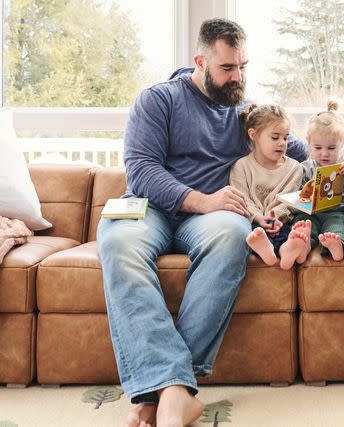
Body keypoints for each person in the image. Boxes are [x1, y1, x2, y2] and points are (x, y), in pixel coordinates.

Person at [97, 19, 303, 427]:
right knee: (118, 245)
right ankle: (177, 389)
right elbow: (140, 169)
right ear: (200, 61)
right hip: (151, 207)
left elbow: (296, 145)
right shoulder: (158, 100)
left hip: (212, 219)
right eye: (227, 68)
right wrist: (202, 200)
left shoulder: (246, 112)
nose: (237, 77)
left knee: (233, 233)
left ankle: (164, 393)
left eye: (243, 66)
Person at [229, 103, 311, 270]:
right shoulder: (241, 166)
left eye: (286, 137)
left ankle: (286, 249)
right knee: (248, 233)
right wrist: (259, 218)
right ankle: (265, 248)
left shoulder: (295, 168)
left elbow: (289, 202)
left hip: (281, 222)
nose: (282, 143)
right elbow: (242, 199)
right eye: (275, 137)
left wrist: (275, 219)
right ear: (254, 135)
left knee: (293, 230)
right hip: (253, 221)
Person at [290, 100, 344, 261]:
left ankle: (336, 245)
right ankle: (302, 246)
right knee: (302, 224)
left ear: (343, 143)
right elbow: (295, 195)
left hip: (337, 212)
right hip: (310, 213)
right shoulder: (304, 167)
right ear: (309, 143)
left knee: (337, 226)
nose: (324, 154)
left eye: (331, 148)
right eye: (318, 148)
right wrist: (302, 198)